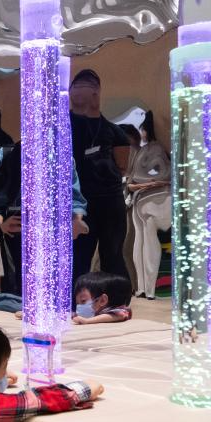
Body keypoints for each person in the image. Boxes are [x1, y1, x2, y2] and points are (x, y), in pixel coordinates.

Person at [0, 143, 89, 296]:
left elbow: (75, 198)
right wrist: (1, 223)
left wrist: (76, 219)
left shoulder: (62, 158)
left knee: (52, 276)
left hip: (50, 222)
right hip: (14, 223)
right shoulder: (4, 159)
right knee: (20, 276)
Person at [69, 69, 131, 284]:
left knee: (112, 256)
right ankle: (75, 299)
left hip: (110, 201)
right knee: (78, 257)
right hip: (78, 203)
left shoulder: (115, 132)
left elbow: (122, 168)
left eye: (88, 87)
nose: (81, 92)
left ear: (97, 92)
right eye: (77, 87)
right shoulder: (62, 127)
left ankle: (116, 298)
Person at [126, 112, 171, 300]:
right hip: (146, 200)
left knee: (144, 243)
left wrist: (147, 183)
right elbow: (161, 175)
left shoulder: (151, 150)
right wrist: (152, 182)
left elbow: (161, 174)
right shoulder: (149, 150)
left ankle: (146, 287)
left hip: (149, 201)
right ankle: (145, 287)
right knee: (142, 243)